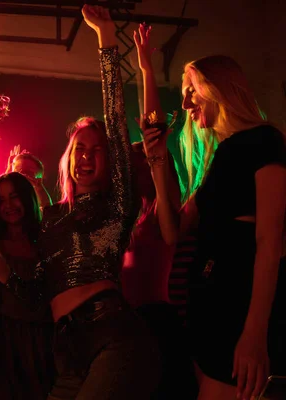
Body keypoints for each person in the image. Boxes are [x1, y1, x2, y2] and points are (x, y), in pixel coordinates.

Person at [0, 6, 160, 399]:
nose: (87, 156)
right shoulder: (51, 218)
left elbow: (114, 113)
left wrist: (106, 39)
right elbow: (37, 296)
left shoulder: (117, 204)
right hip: (67, 352)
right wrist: (1, 270)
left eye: (98, 150)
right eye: (80, 149)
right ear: (68, 159)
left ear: (111, 161)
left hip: (113, 337)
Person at [147, 53, 286, 399]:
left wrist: (254, 333)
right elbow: (172, 232)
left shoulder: (264, 141)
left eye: (191, 90)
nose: (184, 103)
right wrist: (157, 161)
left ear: (217, 88)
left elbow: (271, 241)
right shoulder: (219, 156)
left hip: (236, 311)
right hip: (208, 316)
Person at [121, 24, 197, 399]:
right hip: (121, 321)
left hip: (153, 321)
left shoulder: (160, 207)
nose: (142, 157)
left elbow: (153, 129)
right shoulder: (121, 214)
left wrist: (146, 69)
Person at [0, 172, 54, 400]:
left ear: (27, 199)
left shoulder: (45, 244)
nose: (9, 205)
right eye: (1, 200)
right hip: (2, 348)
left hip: (42, 345)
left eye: (14, 197)